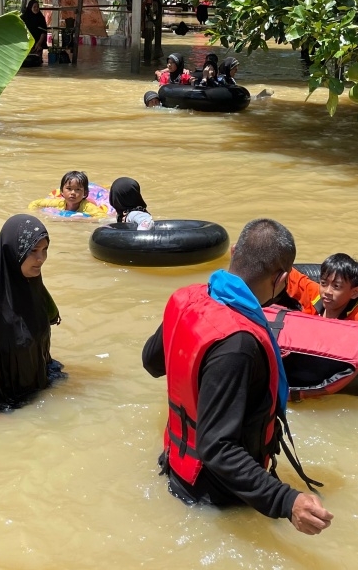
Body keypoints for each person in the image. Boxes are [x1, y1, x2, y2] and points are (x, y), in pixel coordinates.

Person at [142, 219, 334, 535]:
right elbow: (217, 448)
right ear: (283, 279)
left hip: (175, 464)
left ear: (233, 252)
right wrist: (287, 502)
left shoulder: (187, 299)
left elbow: (151, 362)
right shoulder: (240, 346)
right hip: (216, 499)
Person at [0, 214, 63, 414]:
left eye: (45, 250)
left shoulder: (33, 290)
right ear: (13, 252)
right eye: (33, 251)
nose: (41, 259)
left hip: (33, 394)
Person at [27, 170, 108, 217]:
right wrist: (37, 213)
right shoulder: (58, 202)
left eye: (78, 190)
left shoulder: (87, 207)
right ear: (61, 191)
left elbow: (102, 216)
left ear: (85, 193)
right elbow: (34, 203)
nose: (73, 193)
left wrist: (81, 220)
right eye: (69, 189)